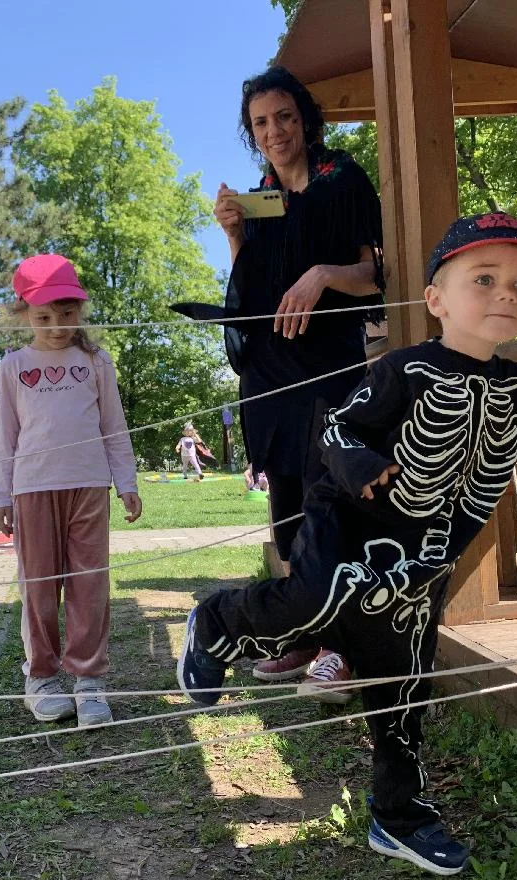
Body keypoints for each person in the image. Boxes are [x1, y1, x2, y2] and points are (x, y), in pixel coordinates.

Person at [176, 212, 517, 876]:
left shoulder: (516, 390)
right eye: (484, 279)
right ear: (435, 300)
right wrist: (360, 464)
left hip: (420, 566)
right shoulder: (405, 369)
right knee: (313, 602)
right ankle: (218, 623)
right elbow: (336, 429)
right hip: (348, 525)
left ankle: (398, 816)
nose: (507, 294)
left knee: (403, 691)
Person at [175, 65, 384, 684]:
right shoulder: (259, 199)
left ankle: (342, 646)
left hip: (329, 367)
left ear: (305, 119)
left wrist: (322, 276)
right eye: (261, 122)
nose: (274, 131)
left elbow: (375, 273)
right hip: (271, 375)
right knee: (288, 505)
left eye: (285, 117)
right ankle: (301, 633)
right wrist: (234, 235)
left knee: (331, 497)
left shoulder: (343, 180)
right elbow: (250, 294)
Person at [0, 254, 143, 728]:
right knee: (39, 588)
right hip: (33, 489)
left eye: (67, 313)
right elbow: (5, 436)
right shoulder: (13, 366)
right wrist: (0, 496)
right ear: (24, 315)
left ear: (80, 309)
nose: (57, 327)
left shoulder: (96, 362)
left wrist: (126, 482)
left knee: (89, 586)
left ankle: (89, 680)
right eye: (44, 318)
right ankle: (41, 678)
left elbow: (113, 426)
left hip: (89, 486)